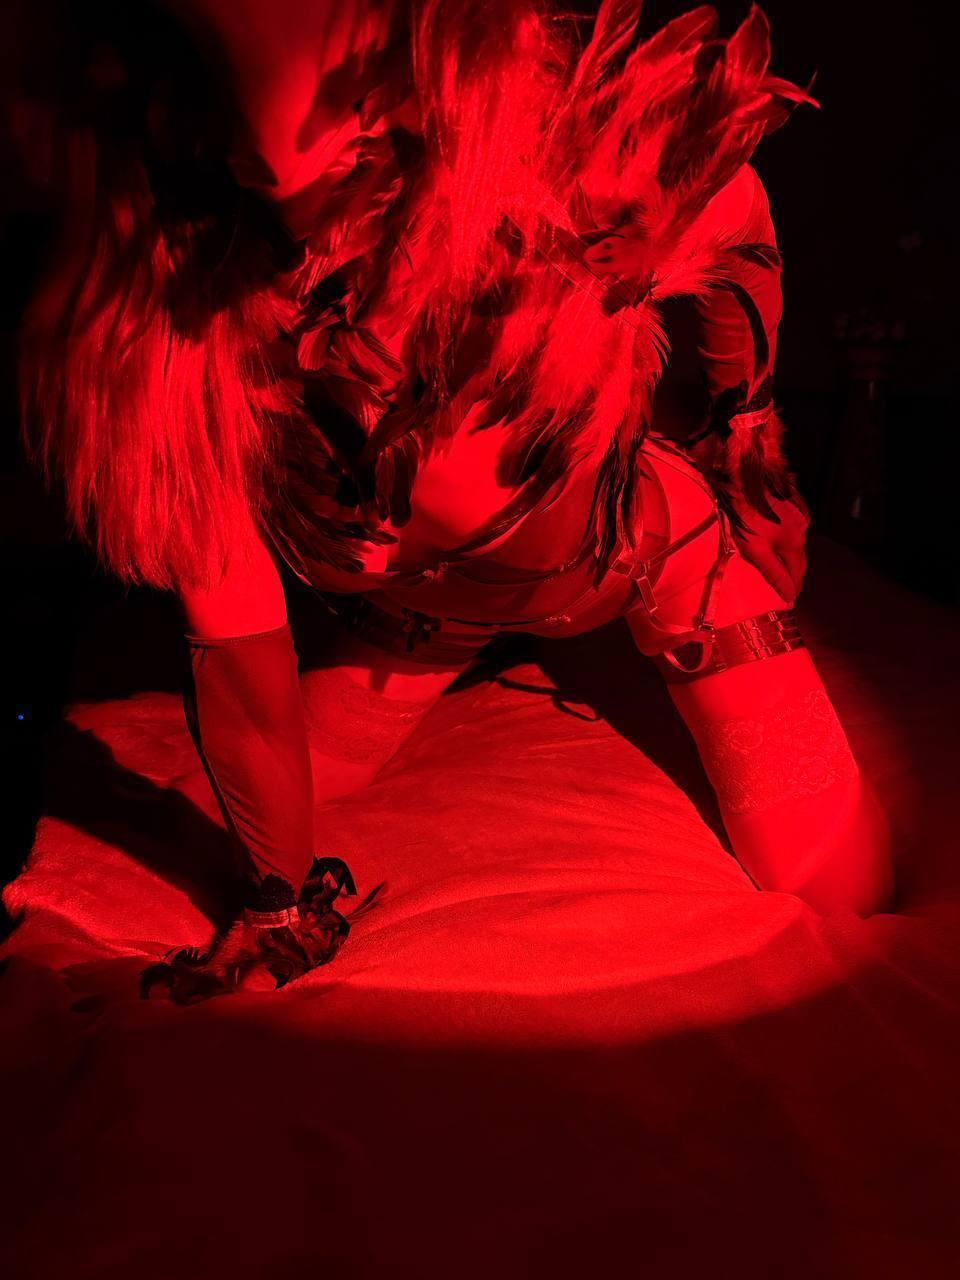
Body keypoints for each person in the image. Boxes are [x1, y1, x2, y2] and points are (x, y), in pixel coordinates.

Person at [16, 0, 893, 1003]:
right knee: (211, 808)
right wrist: (278, 907)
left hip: (653, 556)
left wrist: (748, 441)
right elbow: (236, 641)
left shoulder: (549, 178)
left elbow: (735, 208)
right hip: (419, 617)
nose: (295, 140)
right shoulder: (170, 343)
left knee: (844, 907)